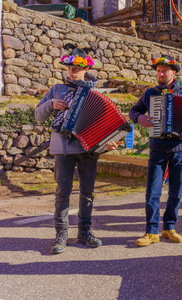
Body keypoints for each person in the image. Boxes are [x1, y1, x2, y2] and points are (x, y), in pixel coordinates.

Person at [35, 44, 120, 254]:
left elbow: (106, 123)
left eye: (76, 68)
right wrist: (50, 105)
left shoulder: (95, 92)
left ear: (85, 69)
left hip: (88, 149)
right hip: (63, 148)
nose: (72, 71)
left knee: (87, 192)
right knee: (62, 192)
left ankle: (84, 232)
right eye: (69, 67)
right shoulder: (56, 90)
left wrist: (107, 145)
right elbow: (38, 116)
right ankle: (61, 234)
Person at [129, 55, 182, 247]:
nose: (161, 74)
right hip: (158, 148)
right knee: (153, 190)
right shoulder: (150, 94)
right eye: (158, 71)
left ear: (173, 72)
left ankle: (169, 227)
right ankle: (151, 231)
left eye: (164, 71)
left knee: (176, 191)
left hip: (180, 148)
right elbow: (133, 111)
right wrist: (140, 119)